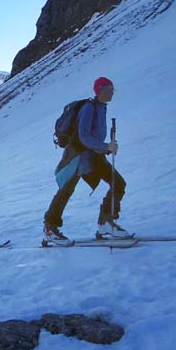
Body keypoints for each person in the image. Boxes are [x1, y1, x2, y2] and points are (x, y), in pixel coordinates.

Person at [43, 77, 129, 245]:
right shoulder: (89, 108)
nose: (112, 92)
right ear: (100, 90)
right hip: (78, 157)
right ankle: (49, 228)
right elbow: (84, 137)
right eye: (109, 89)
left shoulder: (101, 107)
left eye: (112, 89)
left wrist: (106, 147)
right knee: (65, 190)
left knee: (118, 183)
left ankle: (105, 223)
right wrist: (106, 147)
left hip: (93, 156)